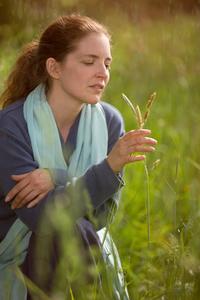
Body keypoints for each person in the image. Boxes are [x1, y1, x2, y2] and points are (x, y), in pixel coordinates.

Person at [0, 14, 157, 299]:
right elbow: (41, 219)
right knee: (65, 229)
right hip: (18, 255)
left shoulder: (110, 121)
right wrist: (106, 169)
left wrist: (57, 177)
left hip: (85, 246)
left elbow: (101, 215)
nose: (103, 73)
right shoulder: (11, 125)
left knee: (78, 228)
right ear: (54, 68)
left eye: (107, 64)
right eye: (89, 62)